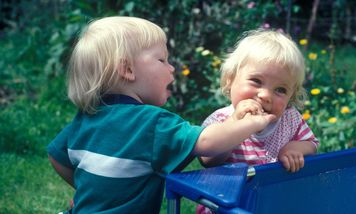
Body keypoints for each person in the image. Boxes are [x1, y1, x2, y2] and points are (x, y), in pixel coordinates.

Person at [47, 16, 277, 214]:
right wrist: (252, 122)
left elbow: (56, 156)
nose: (171, 68)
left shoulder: (87, 117)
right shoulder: (152, 123)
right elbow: (208, 142)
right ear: (127, 70)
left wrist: (91, 192)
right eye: (162, 59)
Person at [196, 29, 319, 214]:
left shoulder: (290, 118)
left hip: (272, 204)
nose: (265, 95)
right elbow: (207, 159)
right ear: (230, 80)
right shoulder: (221, 120)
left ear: (291, 96)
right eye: (256, 81)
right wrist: (236, 125)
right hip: (226, 206)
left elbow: (312, 144)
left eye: (280, 90)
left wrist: (295, 148)